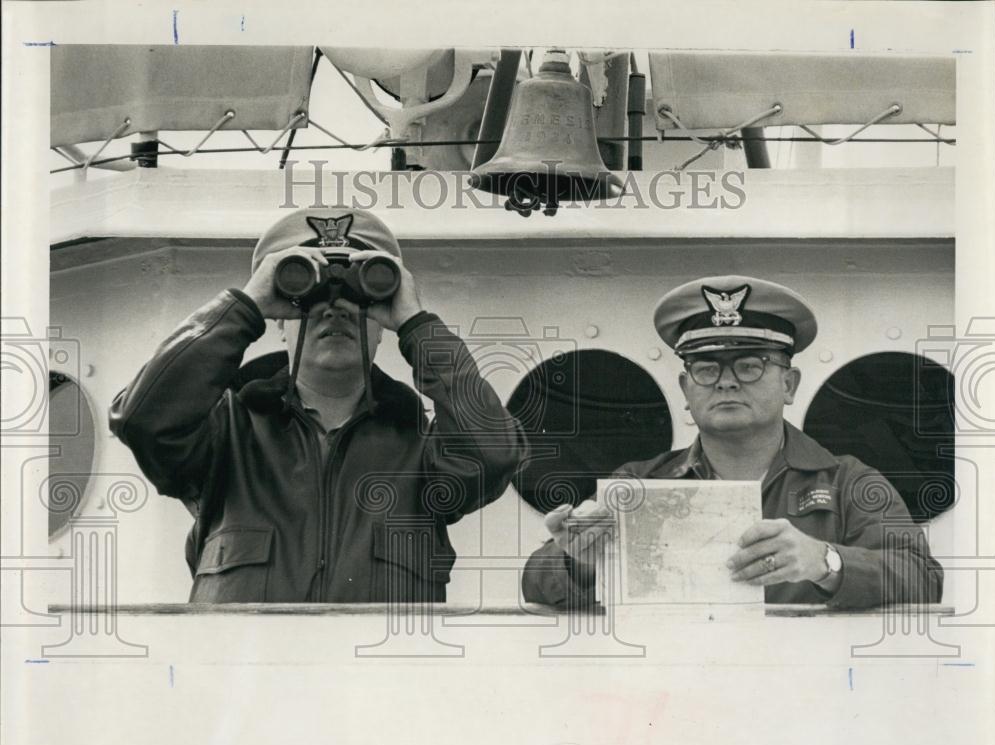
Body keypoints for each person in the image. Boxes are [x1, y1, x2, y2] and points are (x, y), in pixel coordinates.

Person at [110, 208, 527, 603]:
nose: (334, 307)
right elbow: (142, 420)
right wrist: (247, 305)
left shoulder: (422, 449)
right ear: (279, 322)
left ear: (382, 326)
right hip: (241, 677)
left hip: (383, 678)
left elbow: (493, 453)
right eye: (309, 294)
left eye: (356, 293)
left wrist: (416, 324)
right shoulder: (226, 435)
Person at [521, 275, 943, 609]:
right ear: (687, 389)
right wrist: (580, 561)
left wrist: (825, 561)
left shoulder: (848, 483)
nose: (725, 381)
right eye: (706, 368)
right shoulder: (638, 484)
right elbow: (534, 582)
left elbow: (923, 578)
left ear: (789, 384)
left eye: (749, 365)